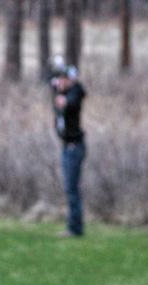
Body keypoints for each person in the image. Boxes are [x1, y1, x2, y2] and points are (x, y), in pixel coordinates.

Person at [50, 57, 87, 237]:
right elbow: (51, 82)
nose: (61, 82)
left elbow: (72, 99)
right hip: (66, 146)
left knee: (72, 189)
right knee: (69, 188)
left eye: (65, 79)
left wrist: (63, 95)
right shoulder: (61, 91)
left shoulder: (75, 93)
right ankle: (73, 226)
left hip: (74, 147)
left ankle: (75, 228)